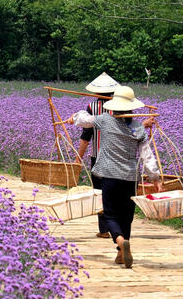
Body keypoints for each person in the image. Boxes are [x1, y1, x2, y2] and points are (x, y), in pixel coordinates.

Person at [66, 86, 164, 268]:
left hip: (110, 176)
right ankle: (121, 252)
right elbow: (147, 155)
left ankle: (120, 242)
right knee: (126, 215)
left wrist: (75, 117)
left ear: (113, 107)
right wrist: (155, 178)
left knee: (110, 214)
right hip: (130, 177)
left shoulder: (105, 120)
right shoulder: (137, 128)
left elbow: (84, 120)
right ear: (132, 108)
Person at [78, 72, 120, 239]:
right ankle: (116, 226)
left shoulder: (92, 108)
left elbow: (86, 135)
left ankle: (104, 230)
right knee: (114, 192)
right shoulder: (119, 107)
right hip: (117, 157)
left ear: (96, 92)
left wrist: (78, 158)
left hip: (98, 157)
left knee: (100, 192)